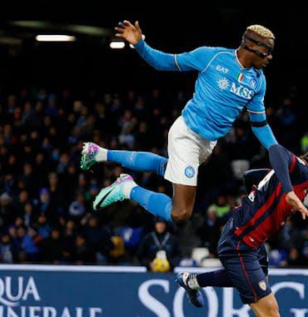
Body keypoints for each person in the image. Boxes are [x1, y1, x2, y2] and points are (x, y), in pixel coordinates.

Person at [81, 21, 279, 225]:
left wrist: (277, 151)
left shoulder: (258, 81)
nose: (270, 57)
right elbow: (165, 62)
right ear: (252, 47)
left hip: (208, 144)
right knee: (180, 212)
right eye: (268, 51)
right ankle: (127, 189)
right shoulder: (212, 57)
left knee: (168, 167)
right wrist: (140, 44)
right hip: (187, 135)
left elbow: (259, 124)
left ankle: (100, 153)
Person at [177, 145, 308, 317]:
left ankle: (192, 281)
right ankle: (192, 281)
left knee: (244, 278)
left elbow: (250, 176)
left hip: (253, 242)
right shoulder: (303, 172)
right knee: (271, 312)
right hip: (240, 241)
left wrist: (259, 206)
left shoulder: (299, 179)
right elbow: (277, 151)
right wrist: (284, 192)